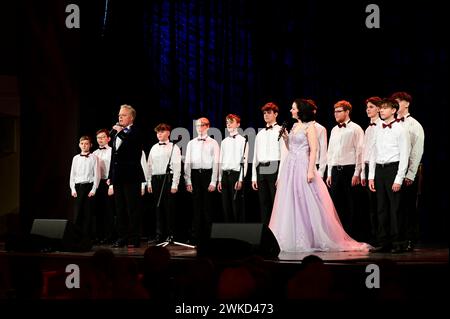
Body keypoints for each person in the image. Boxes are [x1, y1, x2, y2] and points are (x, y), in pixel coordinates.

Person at [269, 99, 370, 252]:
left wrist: (310, 170)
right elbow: (291, 147)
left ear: (300, 110)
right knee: (291, 199)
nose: (291, 110)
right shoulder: (295, 126)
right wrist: (285, 138)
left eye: (293, 108)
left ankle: (309, 236)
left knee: (305, 200)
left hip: (303, 164)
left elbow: (313, 150)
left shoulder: (310, 127)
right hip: (291, 165)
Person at [368, 98, 410, 253]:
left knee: (396, 207)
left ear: (393, 110)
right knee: (381, 208)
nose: (381, 111)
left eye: (385, 108)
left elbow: (405, 155)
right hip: (379, 169)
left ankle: (399, 242)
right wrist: (371, 175)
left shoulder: (401, 129)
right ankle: (383, 241)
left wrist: (399, 178)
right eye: (381, 108)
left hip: (393, 169)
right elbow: (373, 151)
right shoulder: (378, 128)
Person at [108, 104, 146, 248]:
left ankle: (135, 238)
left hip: (132, 176)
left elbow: (134, 149)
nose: (120, 117)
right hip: (118, 176)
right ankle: (122, 237)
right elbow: (114, 156)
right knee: (120, 208)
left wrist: (122, 132)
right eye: (119, 115)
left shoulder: (136, 131)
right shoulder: (117, 133)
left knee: (132, 208)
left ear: (131, 118)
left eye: (123, 115)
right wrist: (111, 175)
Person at [390, 92, 424, 251]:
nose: (395, 105)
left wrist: (411, 174)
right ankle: (397, 238)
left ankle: (409, 239)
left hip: (408, 171)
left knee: (408, 207)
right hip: (393, 170)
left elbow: (417, 151)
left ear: (406, 104)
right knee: (396, 207)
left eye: (397, 102)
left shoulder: (414, 125)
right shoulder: (391, 124)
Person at [326, 100, 364, 237]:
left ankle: (351, 234)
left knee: (351, 204)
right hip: (336, 170)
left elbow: (360, 152)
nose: (335, 114)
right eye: (334, 111)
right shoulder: (334, 129)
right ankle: (337, 234)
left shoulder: (356, 128)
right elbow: (330, 153)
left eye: (339, 111)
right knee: (335, 204)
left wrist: (357, 173)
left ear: (347, 112)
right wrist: (329, 173)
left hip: (350, 169)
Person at [184, 117, 220, 245]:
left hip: (207, 175)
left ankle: (208, 238)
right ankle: (196, 237)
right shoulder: (191, 143)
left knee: (208, 207)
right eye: (198, 125)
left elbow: (216, 163)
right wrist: (188, 181)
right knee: (196, 207)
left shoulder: (213, 143)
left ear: (208, 127)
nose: (199, 127)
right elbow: (187, 162)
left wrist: (213, 181)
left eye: (202, 125)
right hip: (195, 175)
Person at [147, 123, 181, 244]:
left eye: (162, 131)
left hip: (168, 179)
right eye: (158, 132)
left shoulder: (173, 147)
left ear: (168, 133)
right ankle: (159, 234)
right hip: (156, 179)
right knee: (158, 207)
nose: (159, 134)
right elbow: (149, 166)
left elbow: (177, 167)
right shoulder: (153, 147)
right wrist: (149, 182)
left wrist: (174, 184)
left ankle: (171, 234)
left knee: (169, 208)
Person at [251, 102, 285, 226]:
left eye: (269, 113)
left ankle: (278, 233)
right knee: (263, 203)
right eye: (264, 113)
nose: (266, 115)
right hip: (262, 168)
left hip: (275, 167)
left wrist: (280, 176)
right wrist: (254, 177)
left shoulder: (281, 131)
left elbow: (284, 155)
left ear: (276, 114)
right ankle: (266, 233)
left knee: (276, 202)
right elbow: (255, 156)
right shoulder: (260, 133)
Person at [217, 114, 249, 222]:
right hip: (225, 175)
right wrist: (220, 179)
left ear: (238, 124)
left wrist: (240, 179)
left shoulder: (243, 140)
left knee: (237, 205)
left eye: (232, 122)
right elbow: (221, 161)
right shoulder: (224, 142)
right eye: (227, 122)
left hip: (236, 174)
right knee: (226, 206)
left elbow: (244, 162)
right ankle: (228, 231)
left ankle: (238, 231)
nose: (229, 124)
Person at [360, 97, 383, 246]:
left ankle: (382, 237)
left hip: (379, 167)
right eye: (367, 107)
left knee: (380, 204)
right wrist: (363, 172)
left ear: (379, 109)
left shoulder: (383, 126)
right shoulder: (368, 129)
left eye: (371, 107)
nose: (368, 109)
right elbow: (364, 152)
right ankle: (375, 236)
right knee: (371, 206)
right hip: (368, 167)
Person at [69, 135, 100, 239]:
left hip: (89, 187)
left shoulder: (94, 157)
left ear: (90, 145)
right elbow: (72, 175)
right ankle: (76, 236)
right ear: (79, 145)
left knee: (88, 213)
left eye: (86, 144)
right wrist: (72, 188)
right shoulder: (76, 158)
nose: (84, 146)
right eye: (82, 144)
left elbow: (97, 174)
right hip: (78, 187)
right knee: (77, 213)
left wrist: (94, 189)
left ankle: (86, 237)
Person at [92, 129, 116, 245]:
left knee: (109, 210)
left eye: (102, 137)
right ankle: (98, 235)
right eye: (98, 138)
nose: (100, 140)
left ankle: (109, 236)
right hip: (97, 183)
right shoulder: (94, 153)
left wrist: (112, 183)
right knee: (98, 210)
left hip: (108, 182)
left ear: (108, 139)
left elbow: (114, 168)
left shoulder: (113, 151)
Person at [308, 99, 328, 179]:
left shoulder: (320, 129)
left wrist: (321, 171)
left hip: (314, 166)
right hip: (300, 165)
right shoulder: (297, 127)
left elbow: (323, 151)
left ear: (314, 111)